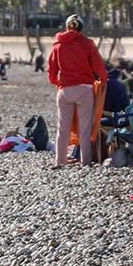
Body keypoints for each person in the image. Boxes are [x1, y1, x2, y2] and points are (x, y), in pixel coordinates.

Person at [48, 14, 108, 167]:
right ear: (81, 29)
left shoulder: (58, 45)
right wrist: (102, 80)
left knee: (63, 128)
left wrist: (56, 82)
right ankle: (85, 161)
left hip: (64, 91)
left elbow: (51, 70)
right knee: (85, 128)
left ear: (67, 27)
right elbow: (98, 65)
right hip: (84, 90)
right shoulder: (87, 44)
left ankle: (60, 161)